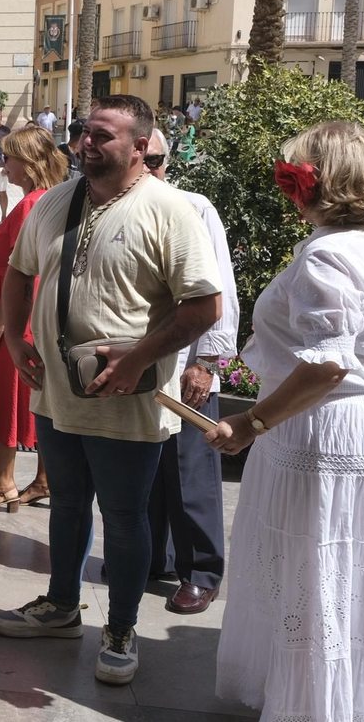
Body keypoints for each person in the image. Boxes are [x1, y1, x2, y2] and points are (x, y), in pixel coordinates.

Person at [209, 122, 364, 721]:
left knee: (318, 572)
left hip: (327, 428)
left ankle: (316, 706)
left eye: (294, 176)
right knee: (361, 571)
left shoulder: (329, 254)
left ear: (319, 184)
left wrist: (251, 423)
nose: (289, 188)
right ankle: (356, 699)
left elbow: (327, 365)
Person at [0, 94, 222, 686]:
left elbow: (204, 307)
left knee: (123, 517)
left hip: (129, 397)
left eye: (103, 135)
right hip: (56, 393)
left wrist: (137, 358)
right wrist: (16, 343)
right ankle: (61, 605)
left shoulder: (171, 210)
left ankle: (120, 628)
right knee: (66, 505)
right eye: (83, 133)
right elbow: (17, 272)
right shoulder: (55, 201)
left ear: (140, 146)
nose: (87, 144)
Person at [144, 129, 238, 615]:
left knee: (189, 473)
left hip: (186, 366)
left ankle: (200, 571)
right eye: (143, 160)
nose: (150, 170)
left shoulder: (196, 208)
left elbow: (221, 290)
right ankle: (153, 559)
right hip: (140, 367)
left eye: (157, 160)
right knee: (148, 471)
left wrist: (208, 361)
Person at [0, 127, 65, 515]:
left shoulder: (30, 205)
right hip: (37, 313)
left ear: (28, 162)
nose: (3, 166)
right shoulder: (50, 199)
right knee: (39, 397)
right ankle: (43, 479)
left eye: (10, 158)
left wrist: (1, 322)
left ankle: (4, 481)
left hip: (19, 315)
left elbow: (18, 271)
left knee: (9, 395)